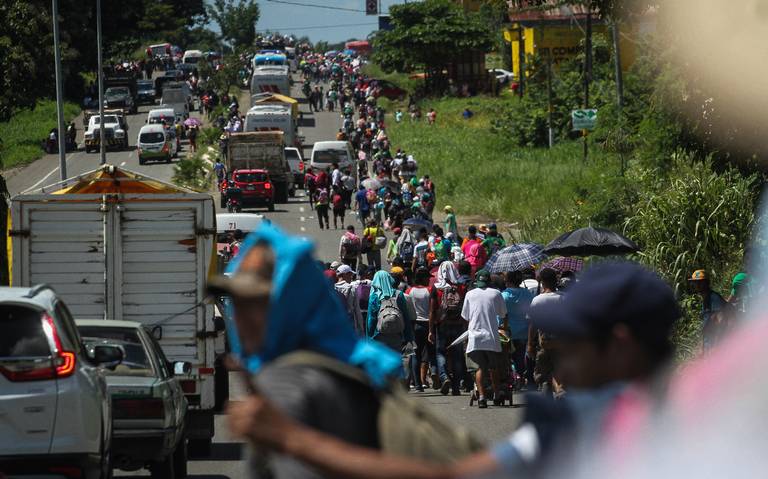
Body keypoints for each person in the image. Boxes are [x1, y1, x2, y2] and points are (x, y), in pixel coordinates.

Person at [227, 261, 681, 479]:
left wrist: (291, 438)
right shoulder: (719, 419)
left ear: (619, 345)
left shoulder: (578, 425)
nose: (563, 354)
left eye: (575, 341)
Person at [210, 223, 403, 479]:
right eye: (239, 303)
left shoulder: (286, 381)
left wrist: (289, 438)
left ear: (293, 304)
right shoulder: (351, 365)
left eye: (257, 304)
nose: (243, 318)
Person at [462, 269, 507, 408]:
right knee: (494, 368)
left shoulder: (470, 294)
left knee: (480, 368)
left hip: (475, 337)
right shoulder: (496, 293)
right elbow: (503, 314)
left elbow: (466, 316)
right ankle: (497, 394)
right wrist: (505, 328)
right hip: (491, 337)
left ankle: (481, 397)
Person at [429, 261, 468, 396]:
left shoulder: (437, 288)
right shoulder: (461, 287)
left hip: (442, 324)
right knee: (457, 355)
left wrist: (431, 330)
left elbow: (432, 311)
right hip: (458, 324)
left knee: (440, 352)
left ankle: (444, 377)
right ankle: (456, 387)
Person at [528, 268, 562, 394]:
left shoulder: (538, 300)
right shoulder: (564, 298)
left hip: (544, 343)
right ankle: (558, 389)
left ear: (542, 282)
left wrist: (530, 344)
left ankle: (556, 389)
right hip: (562, 342)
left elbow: (533, 324)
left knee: (542, 374)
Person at [367, 270, 414, 352]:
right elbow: (405, 316)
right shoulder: (399, 294)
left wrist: (369, 337)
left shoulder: (375, 296)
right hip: (397, 335)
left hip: (379, 335)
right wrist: (408, 337)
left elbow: (371, 319)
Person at [501, 270, 534, 387]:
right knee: (520, 357)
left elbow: (500, 315)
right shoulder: (527, 294)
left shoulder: (504, 295)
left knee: (508, 358)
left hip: (508, 332)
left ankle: (513, 378)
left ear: (508, 281)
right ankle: (520, 376)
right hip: (524, 332)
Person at [689, 269, 731, 351]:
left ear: (706, 283)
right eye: (695, 282)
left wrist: (717, 346)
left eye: (700, 282)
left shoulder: (714, 298)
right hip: (709, 344)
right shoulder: (706, 299)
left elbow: (721, 322)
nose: (697, 285)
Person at [405, 268, 433, 392]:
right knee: (430, 353)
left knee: (415, 354)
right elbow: (432, 310)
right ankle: (436, 377)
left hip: (415, 325)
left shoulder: (409, 291)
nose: (429, 279)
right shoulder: (430, 290)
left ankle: (418, 384)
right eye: (428, 277)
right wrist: (432, 329)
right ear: (423, 278)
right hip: (428, 324)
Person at [335, 264, 362, 333]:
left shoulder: (332, 288)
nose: (351, 277)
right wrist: (361, 329)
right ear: (345, 274)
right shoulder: (352, 289)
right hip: (350, 326)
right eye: (351, 275)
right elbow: (357, 311)